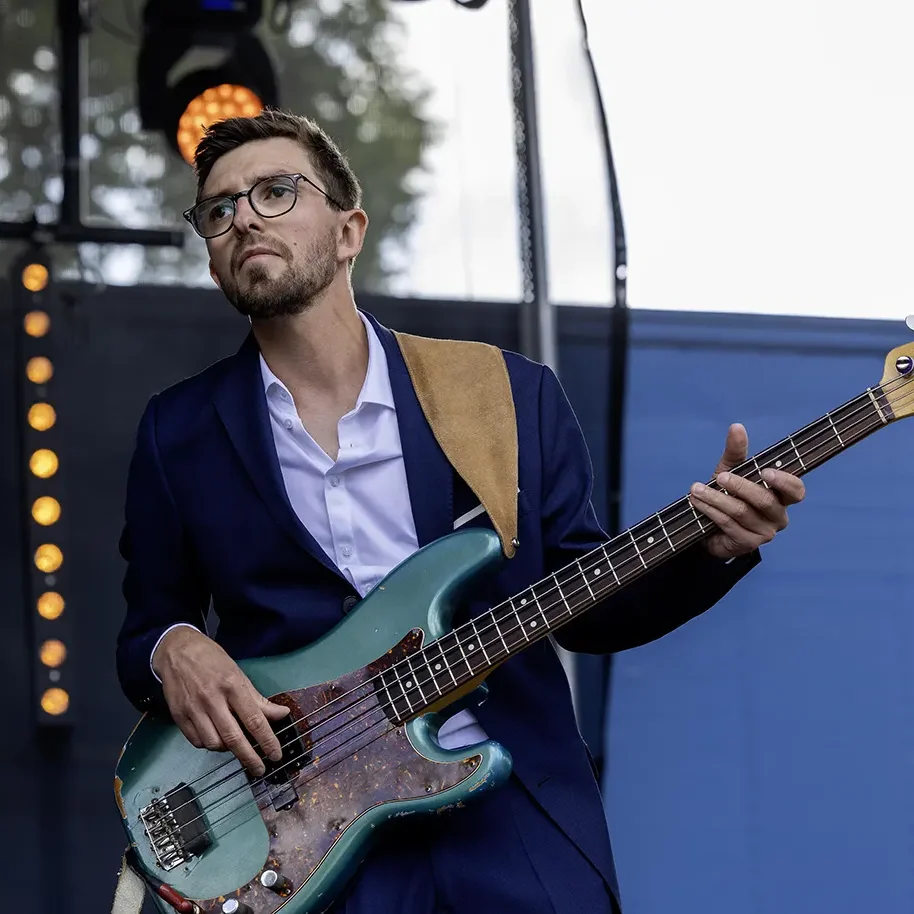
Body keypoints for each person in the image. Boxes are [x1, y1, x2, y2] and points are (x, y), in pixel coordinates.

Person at [115, 109, 805, 914]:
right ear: (211, 258)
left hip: (507, 806)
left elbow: (581, 602)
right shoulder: (179, 431)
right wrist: (175, 648)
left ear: (349, 232)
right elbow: (145, 628)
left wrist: (710, 548)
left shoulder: (506, 395)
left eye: (275, 192)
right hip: (301, 836)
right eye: (220, 211)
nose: (243, 220)